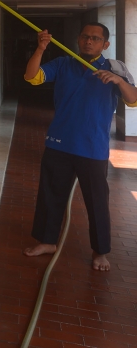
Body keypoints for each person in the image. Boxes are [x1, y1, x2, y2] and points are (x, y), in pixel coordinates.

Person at [23, 22, 137, 272]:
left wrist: (118, 81)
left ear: (105, 44)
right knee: (50, 195)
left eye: (95, 39)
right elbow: (32, 77)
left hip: (93, 148)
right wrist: (40, 49)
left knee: (97, 201)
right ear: (78, 39)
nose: (89, 41)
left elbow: (133, 99)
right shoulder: (64, 64)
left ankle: (100, 251)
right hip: (59, 142)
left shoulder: (114, 68)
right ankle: (47, 241)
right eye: (85, 36)